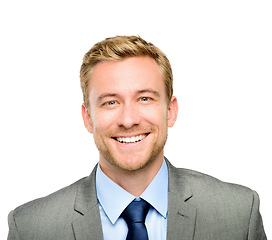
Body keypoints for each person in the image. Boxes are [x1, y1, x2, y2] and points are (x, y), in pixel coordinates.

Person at [7, 35, 267, 240]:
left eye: (144, 98)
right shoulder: (30, 228)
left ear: (170, 111)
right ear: (87, 118)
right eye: (110, 102)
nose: (129, 119)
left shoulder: (239, 213)